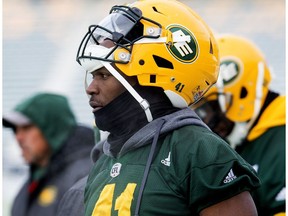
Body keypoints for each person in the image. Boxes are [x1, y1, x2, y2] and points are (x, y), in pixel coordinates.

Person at [74, 0, 262, 215]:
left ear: (152, 77)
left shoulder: (199, 151)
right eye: (93, 75)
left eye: (105, 75)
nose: (90, 88)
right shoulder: (104, 159)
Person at [193, 34, 286, 215]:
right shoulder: (247, 138)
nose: (204, 120)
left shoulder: (280, 140)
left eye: (208, 109)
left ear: (243, 94)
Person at [3, 92, 95, 216]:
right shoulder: (34, 182)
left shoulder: (85, 175)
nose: (18, 137)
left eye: (26, 128)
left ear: (52, 128)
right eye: (15, 129)